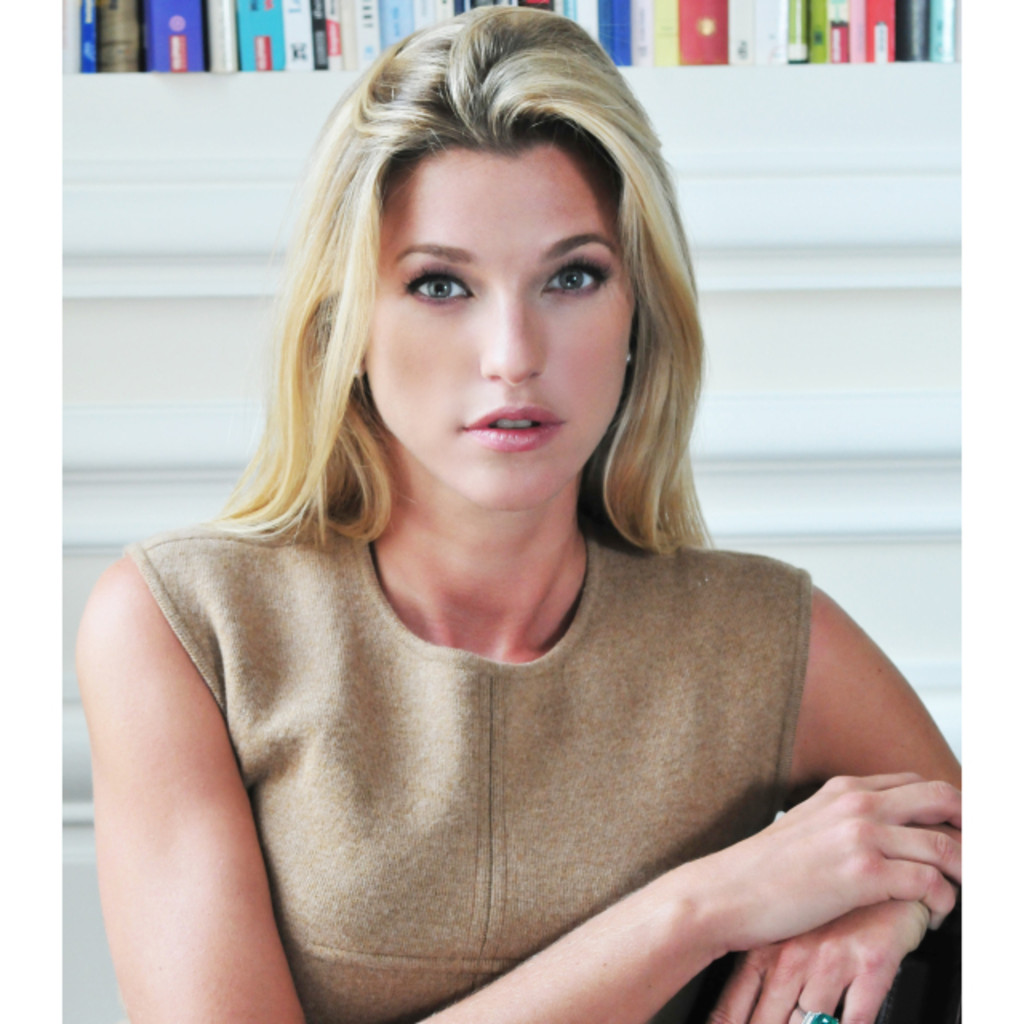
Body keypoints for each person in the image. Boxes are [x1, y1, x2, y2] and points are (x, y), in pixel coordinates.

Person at [76, 8, 961, 1024]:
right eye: (440, 284)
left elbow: (969, 840)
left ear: (639, 314)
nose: (513, 354)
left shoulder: (765, 637)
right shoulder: (185, 627)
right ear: (346, 321)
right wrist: (696, 910)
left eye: (572, 277)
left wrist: (891, 906)